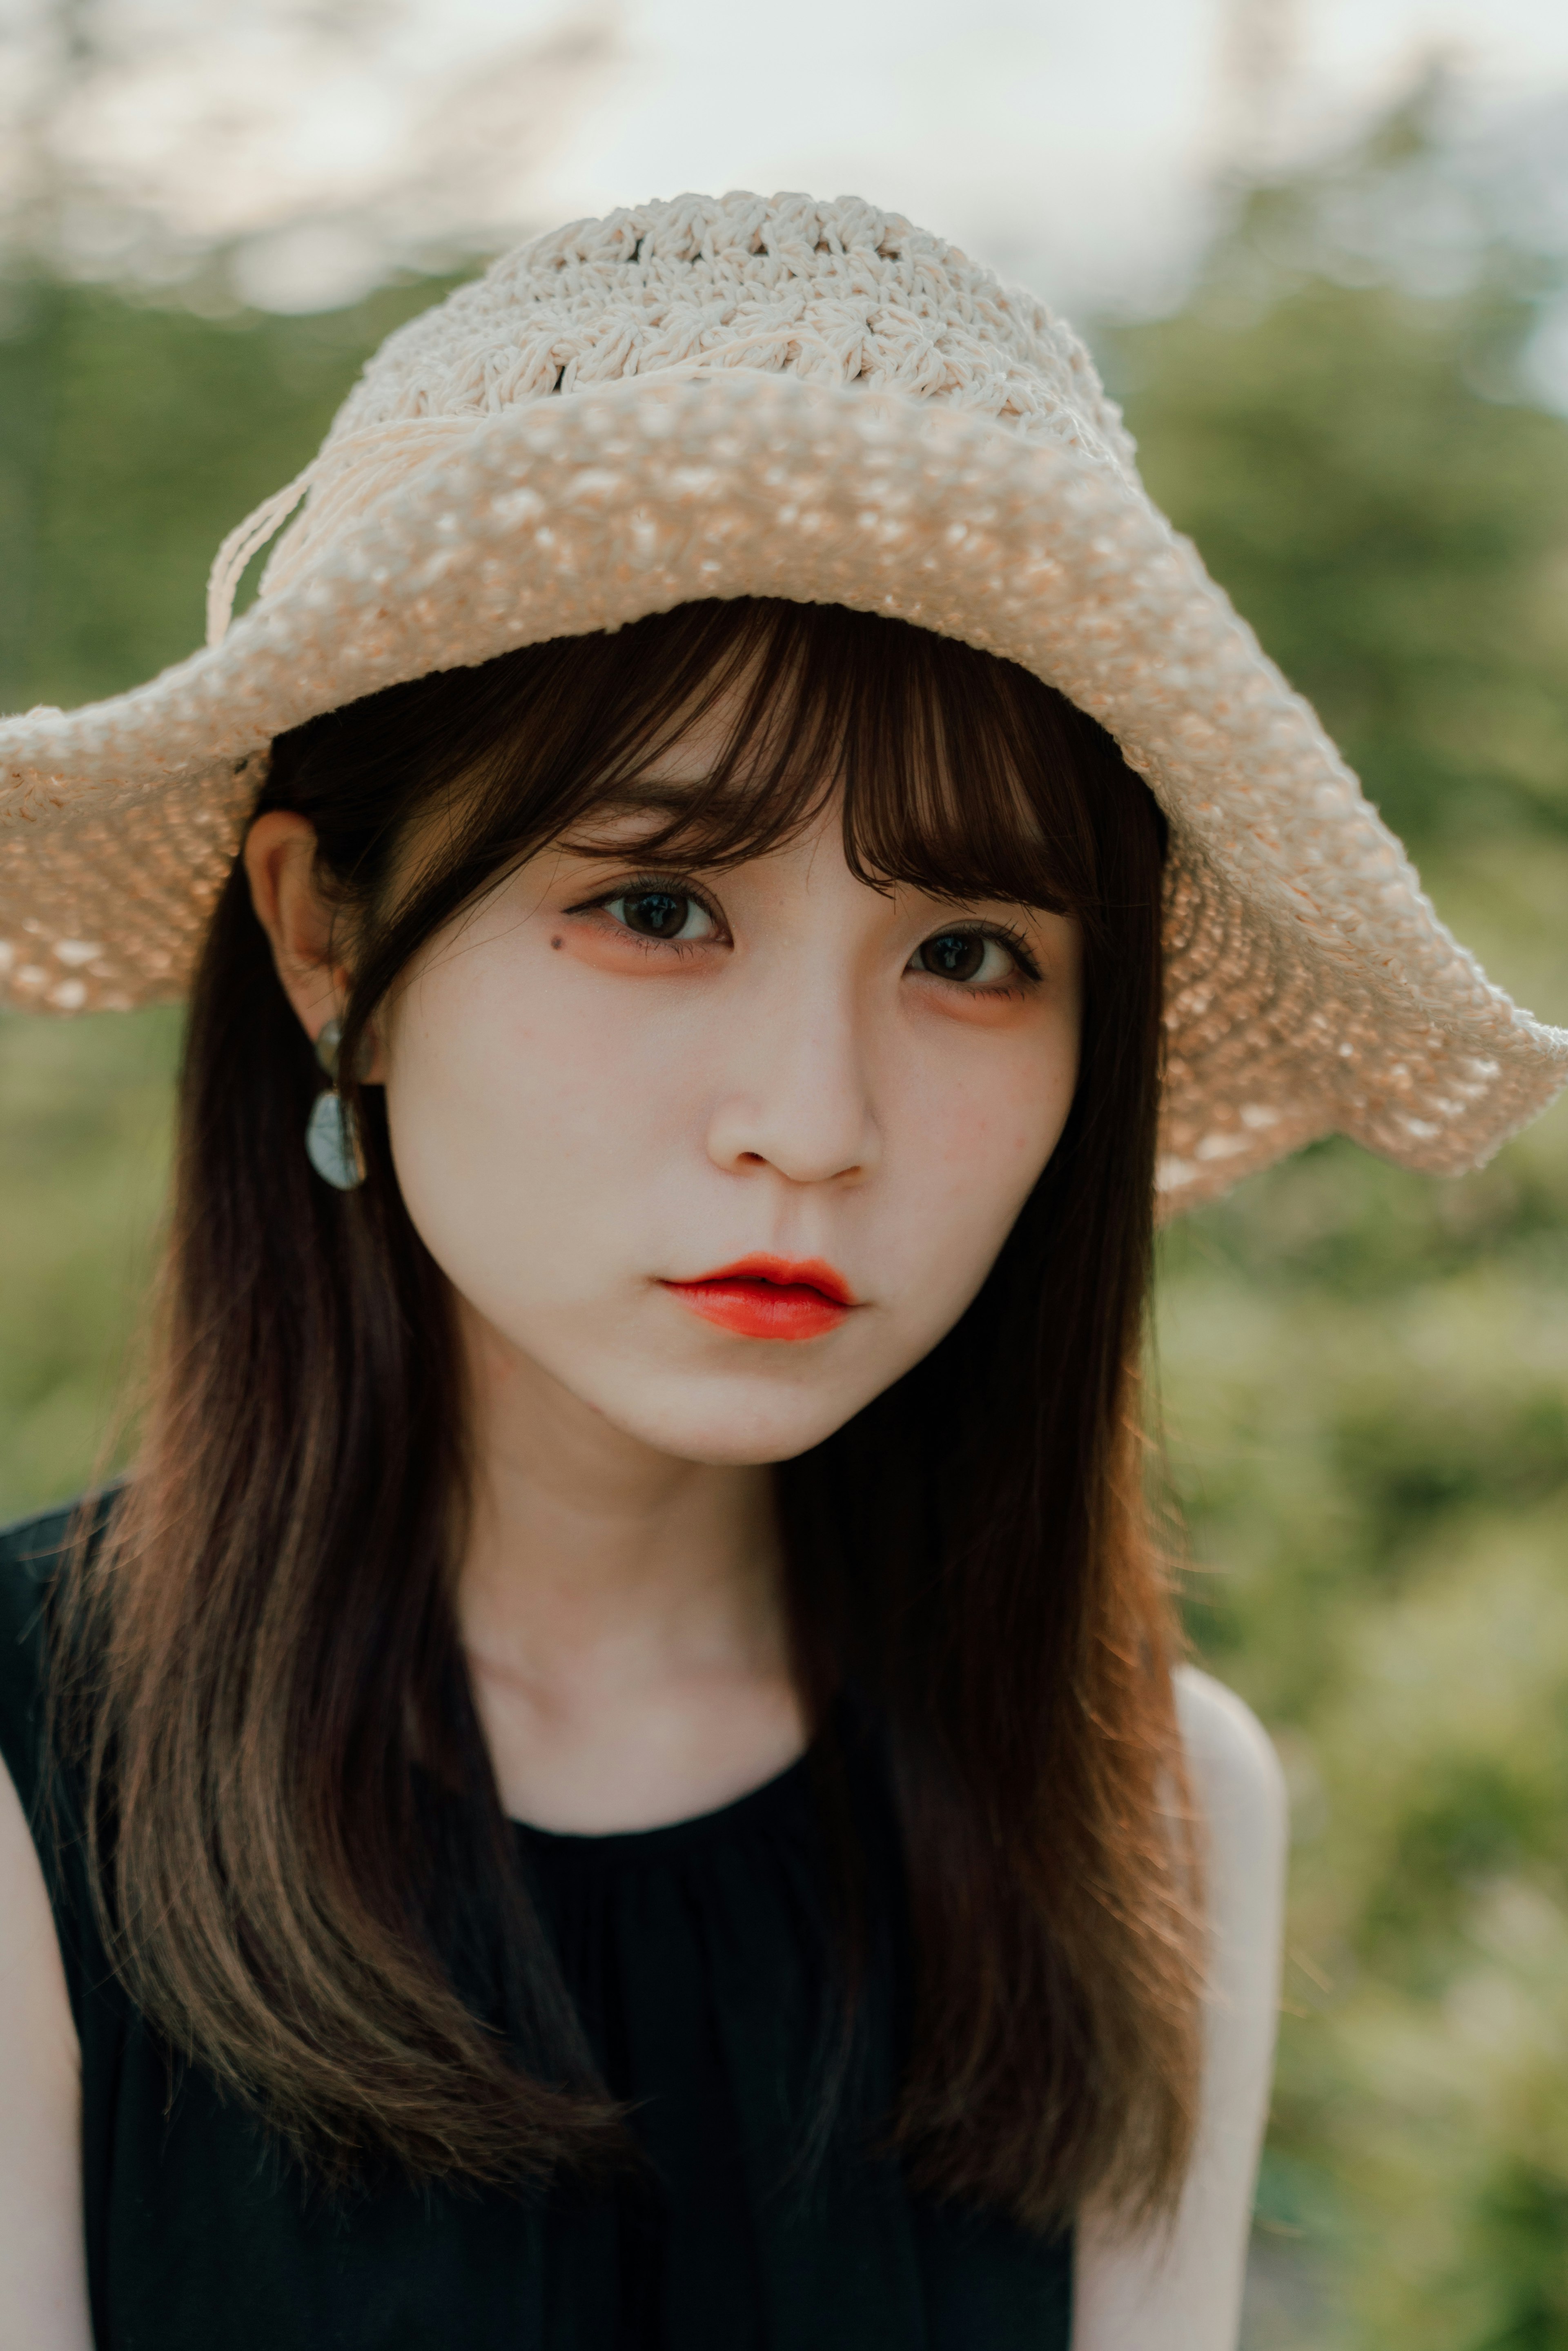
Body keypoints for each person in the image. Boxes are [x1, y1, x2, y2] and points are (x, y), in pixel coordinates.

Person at [0, 193, 1561, 2351]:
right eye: (658, 908)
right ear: (329, 934)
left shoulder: (1151, 1803)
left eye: (971, 954)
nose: (814, 1121)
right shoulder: (29, 1777)